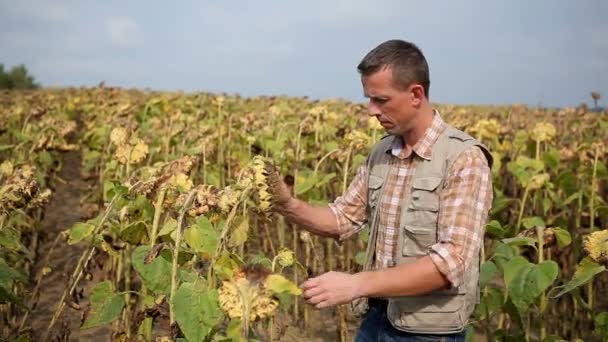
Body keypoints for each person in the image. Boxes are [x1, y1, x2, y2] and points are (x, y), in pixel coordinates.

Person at [274, 39, 493, 341]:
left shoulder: (463, 159)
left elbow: (449, 264)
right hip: (376, 319)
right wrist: (287, 204)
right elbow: (343, 217)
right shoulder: (382, 153)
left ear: (416, 94)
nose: (370, 111)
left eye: (381, 100)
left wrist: (355, 284)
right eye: (369, 99)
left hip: (426, 332)